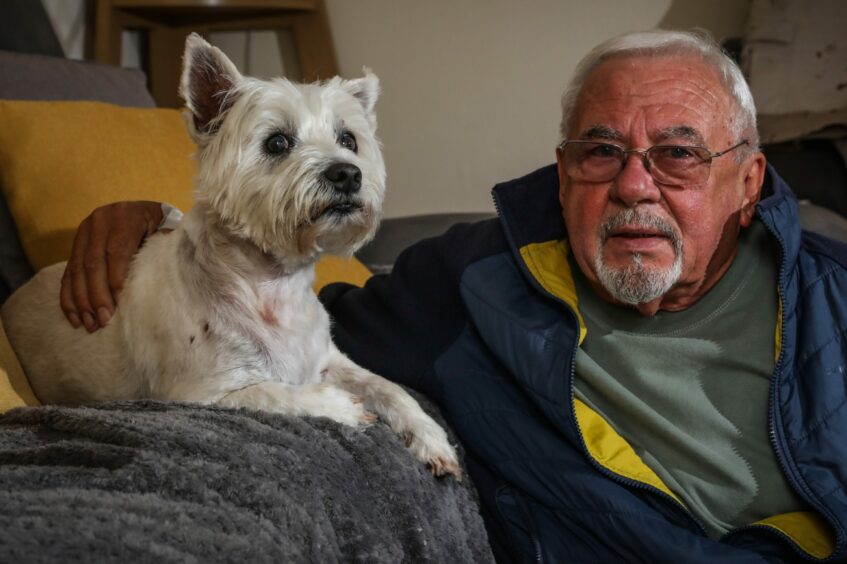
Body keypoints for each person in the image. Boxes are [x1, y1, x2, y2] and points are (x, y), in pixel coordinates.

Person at [58, 30, 847, 562]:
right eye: (600, 151)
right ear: (562, 168)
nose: (633, 185)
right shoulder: (468, 283)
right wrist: (156, 224)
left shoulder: (831, 299)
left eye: (677, 154)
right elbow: (275, 329)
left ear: (747, 182)